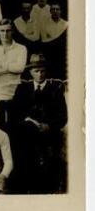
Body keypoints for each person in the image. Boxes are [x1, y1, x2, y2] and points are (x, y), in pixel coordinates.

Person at [11, 53, 67, 194]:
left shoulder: (55, 89)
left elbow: (62, 116)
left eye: (42, 71)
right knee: (24, 156)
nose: (40, 74)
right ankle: (26, 187)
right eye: (36, 71)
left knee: (50, 161)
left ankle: (48, 188)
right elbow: (15, 113)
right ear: (30, 72)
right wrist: (27, 121)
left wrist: (49, 126)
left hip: (49, 133)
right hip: (27, 133)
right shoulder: (23, 89)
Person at [0, 19, 27, 125]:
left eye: (8, 30)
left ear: (13, 31)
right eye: (2, 31)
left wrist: (0, 66)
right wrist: (10, 67)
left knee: (14, 123)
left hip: (14, 89)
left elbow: (20, 68)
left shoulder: (21, 48)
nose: (5, 34)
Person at [40, 2, 67, 80]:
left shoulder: (66, 24)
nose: (55, 11)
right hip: (49, 55)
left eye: (57, 9)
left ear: (60, 11)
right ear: (50, 11)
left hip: (62, 56)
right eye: (53, 9)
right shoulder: (44, 24)